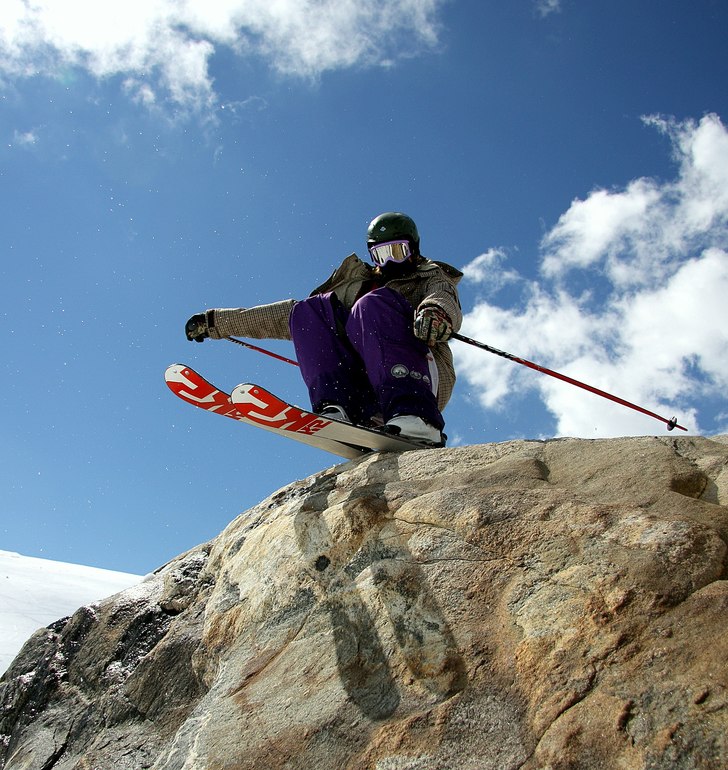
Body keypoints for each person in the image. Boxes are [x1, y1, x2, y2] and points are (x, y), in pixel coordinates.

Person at [184, 212, 462, 445]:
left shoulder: (429, 276)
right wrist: (216, 322)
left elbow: (443, 297)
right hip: (368, 386)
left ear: (414, 249)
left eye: (398, 251)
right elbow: (284, 317)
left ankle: (416, 419)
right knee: (308, 310)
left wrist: (435, 313)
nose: (389, 261)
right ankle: (338, 409)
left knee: (372, 305)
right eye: (381, 254)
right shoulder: (355, 286)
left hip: (420, 379)